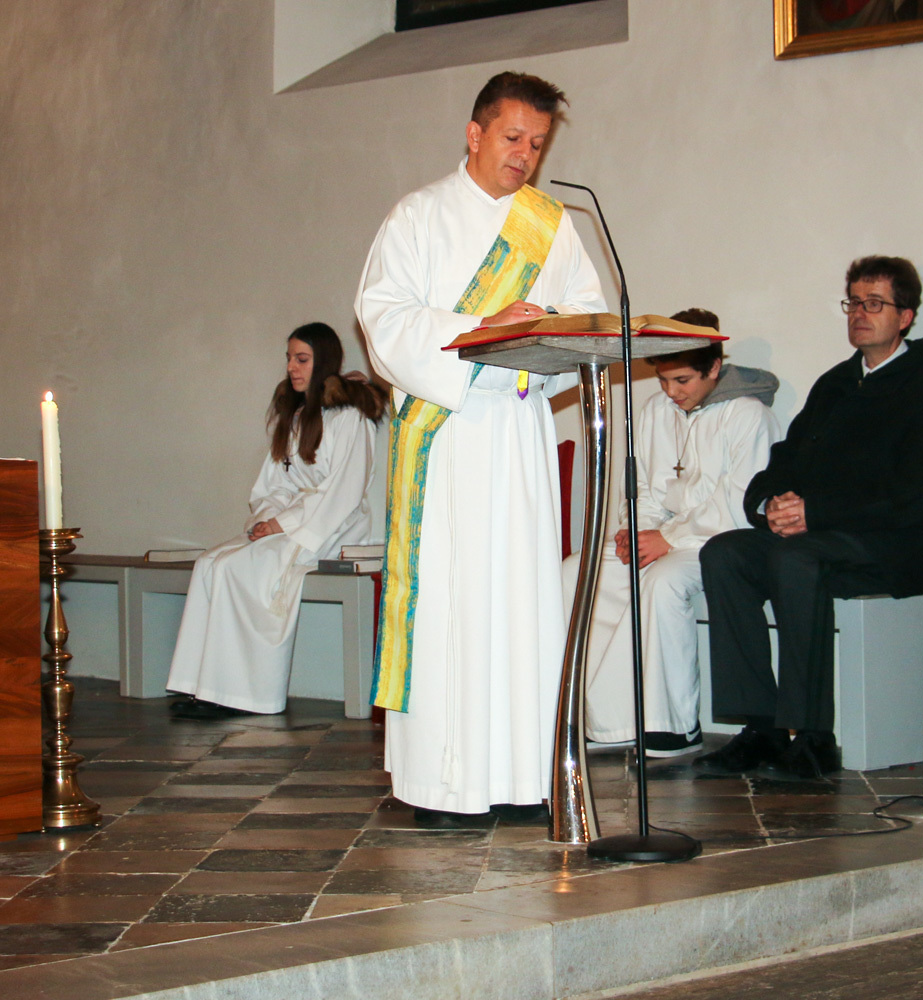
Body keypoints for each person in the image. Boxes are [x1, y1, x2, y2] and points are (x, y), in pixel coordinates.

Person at [355, 71, 606, 826]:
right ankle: (444, 785)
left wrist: (539, 327)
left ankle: (524, 777)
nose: (525, 154)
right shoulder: (418, 215)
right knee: (452, 604)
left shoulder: (552, 226)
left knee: (522, 599)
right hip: (447, 434)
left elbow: (587, 318)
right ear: (475, 134)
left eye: (538, 143)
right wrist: (482, 330)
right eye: (512, 137)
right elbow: (383, 317)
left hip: (520, 433)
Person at [697, 256, 923, 779]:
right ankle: (761, 728)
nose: (859, 313)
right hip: (820, 537)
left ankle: (812, 738)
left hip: (891, 545)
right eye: (853, 302)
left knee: (797, 558)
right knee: (726, 553)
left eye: (874, 303)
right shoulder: (836, 383)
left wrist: (816, 513)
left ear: (905, 316)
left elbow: (912, 493)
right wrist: (770, 505)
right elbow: (786, 459)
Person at [563, 309, 781, 757]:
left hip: (719, 541)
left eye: (682, 380)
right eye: (663, 380)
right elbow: (643, 486)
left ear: (714, 367)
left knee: (662, 582)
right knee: (577, 573)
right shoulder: (656, 410)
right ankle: (605, 720)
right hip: (664, 535)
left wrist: (667, 539)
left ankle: (674, 726)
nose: (671, 391)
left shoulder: (748, 414)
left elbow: (739, 501)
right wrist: (635, 530)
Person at [167, 322, 388, 719]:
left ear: (324, 361)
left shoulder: (350, 418)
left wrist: (282, 524)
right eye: (289, 358)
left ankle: (243, 694)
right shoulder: (296, 416)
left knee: (239, 568)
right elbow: (274, 485)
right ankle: (203, 685)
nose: (291, 367)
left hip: (331, 525)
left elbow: (343, 491)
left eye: (301, 359)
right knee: (209, 564)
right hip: (290, 521)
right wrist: (268, 519)